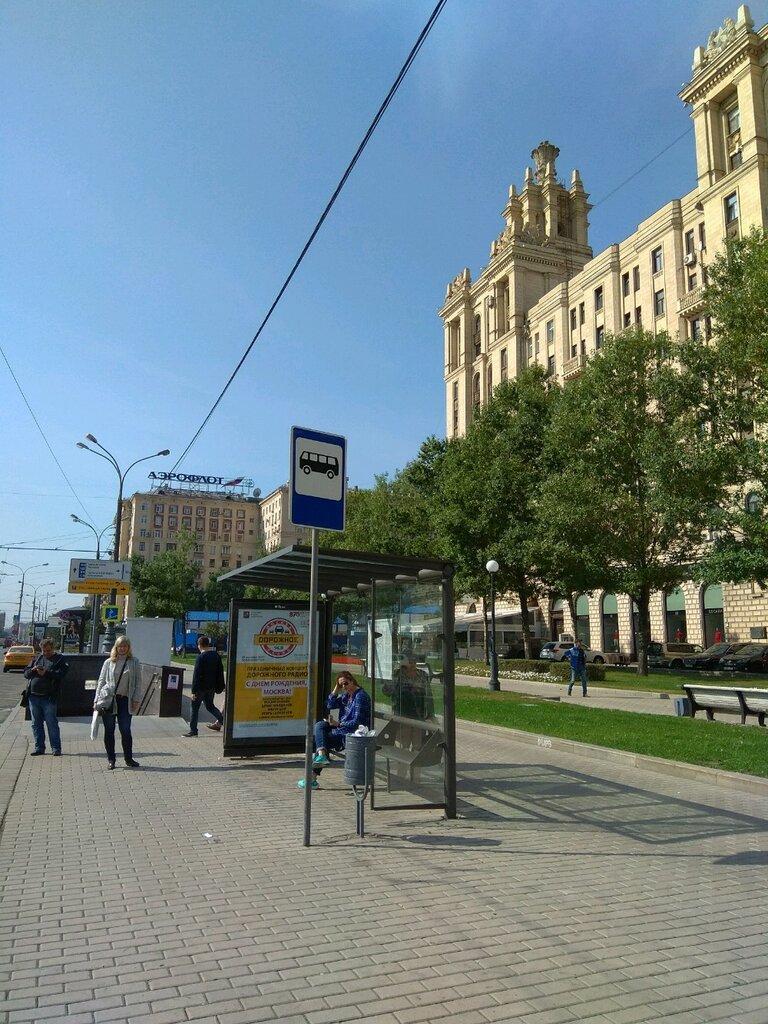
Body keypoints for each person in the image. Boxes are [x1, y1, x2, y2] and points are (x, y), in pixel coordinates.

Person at [299, 671, 371, 789]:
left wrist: (338, 724)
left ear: (352, 681)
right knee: (320, 725)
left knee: (320, 739)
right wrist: (336, 688)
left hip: (353, 733)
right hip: (341, 728)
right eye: (341, 685)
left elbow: (357, 723)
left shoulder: (360, 696)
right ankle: (322, 755)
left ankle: (312, 777)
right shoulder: (347, 695)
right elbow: (330, 705)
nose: (344, 687)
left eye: (346, 684)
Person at [94, 636, 142, 769]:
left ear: (128, 648)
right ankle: (111, 759)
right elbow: (101, 681)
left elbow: (138, 682)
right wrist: (96, 700)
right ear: (116, 647)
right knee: (109, 730)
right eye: (120, 646)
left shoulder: (134, 662)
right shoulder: (109, 662)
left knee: (125, 730)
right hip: (109, 700)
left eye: (125, 646)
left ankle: (129, 759)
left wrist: (136, 699)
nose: (122, 648)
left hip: (125, 700)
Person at [23, 638, 69, 757]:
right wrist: (33, 671)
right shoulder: (37, 658)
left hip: (48, 698)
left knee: (51, 723)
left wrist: (47, 673)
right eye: (43, 650)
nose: (45, 653)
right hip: (34, 696)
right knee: (36, 723)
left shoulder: (59, 659)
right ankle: (39, 747)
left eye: (48, 650)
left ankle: (56, 748)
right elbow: (26, 673)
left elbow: (62, 674)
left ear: (53, 648)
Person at [183, 635, 225, 737]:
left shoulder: (200, 657)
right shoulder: (216, 656)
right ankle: (222, 719)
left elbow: (196, 675)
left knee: (194, 708)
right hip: (211, 688)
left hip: (200, 688)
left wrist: (193, 691)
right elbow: (220, 672)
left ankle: (193, 731)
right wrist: (220, 686)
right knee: (210, 706)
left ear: (199, 645)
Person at [383, 651, 434, 720]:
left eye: (414, 661)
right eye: (410, 662)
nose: (412, 664)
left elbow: (429, 696)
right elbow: (386, 692)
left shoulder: (422, 675)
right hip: (401, 715)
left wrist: (431, 715)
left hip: (419, 715)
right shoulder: (397, 675)